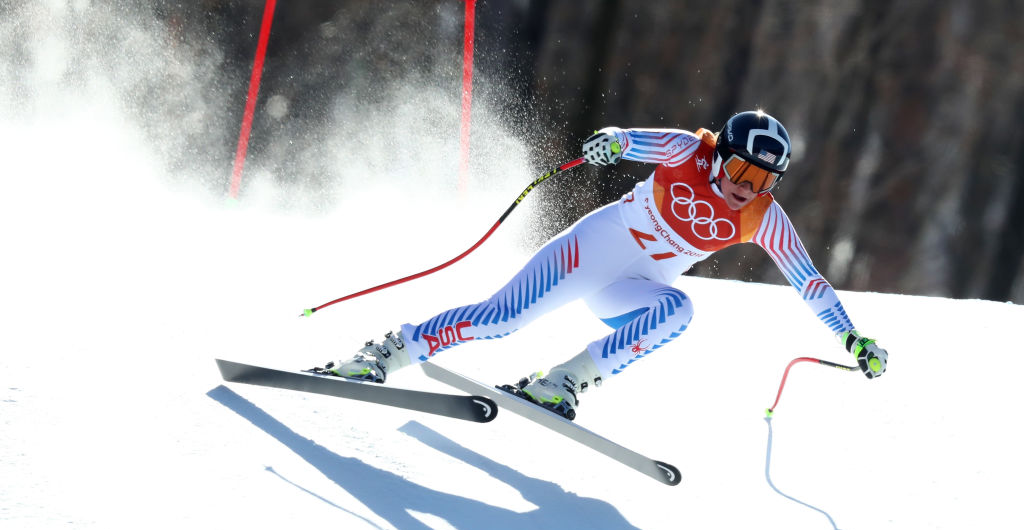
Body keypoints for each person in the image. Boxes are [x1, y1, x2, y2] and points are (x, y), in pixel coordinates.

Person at [323, 110, 888, 420]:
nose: (748, 188)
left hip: (634, 289)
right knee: (502, 320)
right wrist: (611, 142)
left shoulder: (762, 217)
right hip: (593, 252)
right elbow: (636, 140)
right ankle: (385, 352)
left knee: (679, 311)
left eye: (765, 180)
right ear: (721, 156)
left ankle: (562, 384)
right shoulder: (689, 153)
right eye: (742, 171)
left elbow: (809, 281)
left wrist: (852, 338)